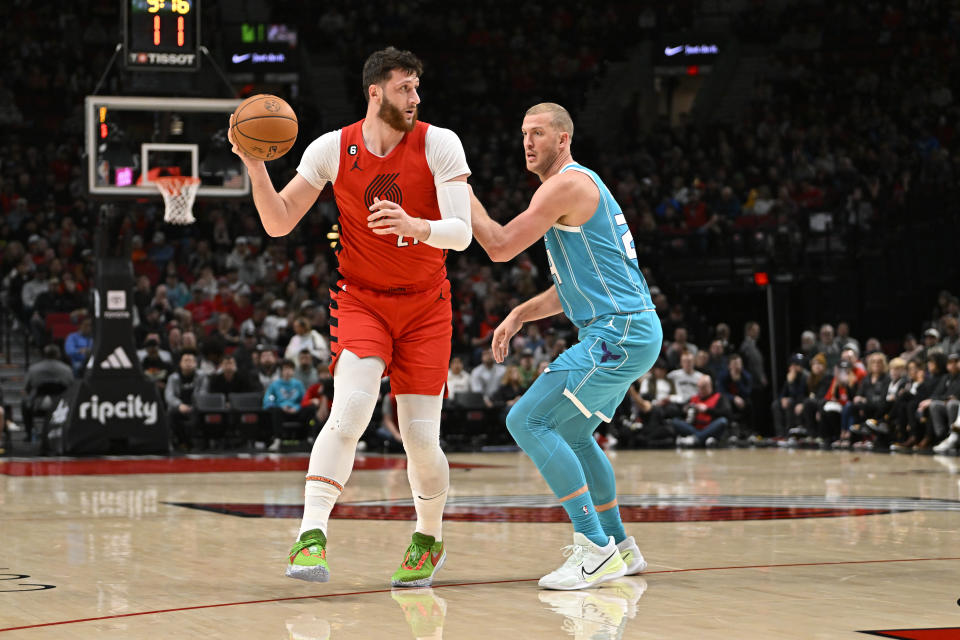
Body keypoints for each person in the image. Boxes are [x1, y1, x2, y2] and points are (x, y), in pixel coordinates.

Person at [230, 46, 472, 587]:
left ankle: (429, 537)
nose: (415, 96)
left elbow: (463, 233)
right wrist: (254, 164)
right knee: (353, 406)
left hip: (427, 305)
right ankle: (310, 533)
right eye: (405, 87)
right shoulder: (330, 149)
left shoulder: (439, 143)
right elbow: (277, 223)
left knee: (421, 440)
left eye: (416, 87)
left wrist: (416, 223)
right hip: (361, 298)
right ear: (375, 91)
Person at [469, 103, 660, 590]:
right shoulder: (574, 191)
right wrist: (518, 315)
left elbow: (498, 246)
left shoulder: (566, 184)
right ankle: (618, 546)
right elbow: (572, 287)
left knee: (525, 419)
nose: (527, 142)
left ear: (563, 140)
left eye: (538, 133)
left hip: (616, 332)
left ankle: (593, 548)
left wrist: (459, 191)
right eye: (523, 133)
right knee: (574, 435)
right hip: (629, 330)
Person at [22, 344, 74, 441]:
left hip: (38, 405)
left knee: (24, 403)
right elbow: (72, 387)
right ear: (58, 355)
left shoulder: (33, 369)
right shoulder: (66, 369)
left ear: (44, 354)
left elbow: (26, 388)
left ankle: (28, 434)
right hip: (61, 406)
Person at [672, 376, 731, 447]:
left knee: (722, 421)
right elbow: (680, 411)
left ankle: (695, 439)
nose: (700, 390)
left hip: (710, 427)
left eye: (703, 387)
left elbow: (727, 413)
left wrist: (707, 410)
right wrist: (685, 410)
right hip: (693, 427)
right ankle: (701, 438)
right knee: (675, 421)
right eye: (699, 387)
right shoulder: (693, 398)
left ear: (710, 386)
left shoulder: (719, 397)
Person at [262, 359, 307, 452]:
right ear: (281, 371)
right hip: (281, 412)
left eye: (290, 369)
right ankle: (277, 440)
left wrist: (297, 408)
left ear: (293, 371)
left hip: (296, 412)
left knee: (310, 409)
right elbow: (268, 400)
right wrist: (280, 406)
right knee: (275, 411)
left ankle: (310, 439)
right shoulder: (274, 385)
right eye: (285, 369)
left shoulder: (298, 384)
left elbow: (304, 400)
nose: (288, 371)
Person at [165, 349, 205, 451]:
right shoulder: (173, 378)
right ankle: (180, 442)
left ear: (196, 363)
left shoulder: (202, 377)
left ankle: (194, 443)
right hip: (179, 407)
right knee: (171, 414)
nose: (188, 363)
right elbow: (169, 396)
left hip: (196, 407)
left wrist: (193, 406)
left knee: (199, 415)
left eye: (191, 361)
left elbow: (203, 393)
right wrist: (179, 405)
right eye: (185, 361)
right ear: (180, 364)